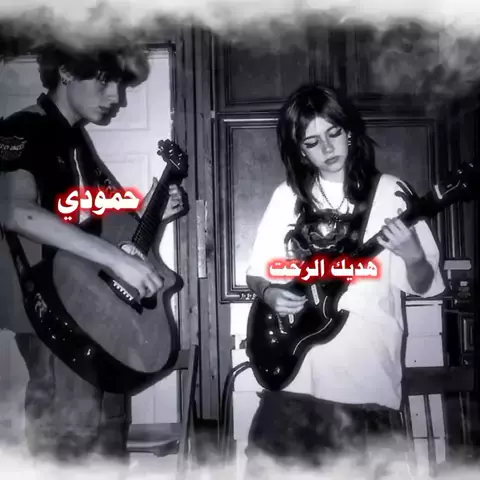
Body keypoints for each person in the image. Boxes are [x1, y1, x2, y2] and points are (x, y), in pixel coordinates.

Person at [245, 84, 445, 477]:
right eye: (312, 142)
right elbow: (256, 273)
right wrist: (269, 293)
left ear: (349, 131)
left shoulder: (391, 193)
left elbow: (425, 284)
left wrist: (414, 256)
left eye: (334, 133)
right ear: (300, 151)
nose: (327, 148)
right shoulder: (286, 196)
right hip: (291, 389)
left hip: (364, 385)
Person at [0, 44, 187, 463]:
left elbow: (113, 232)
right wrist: (116, 259)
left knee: (109, 439)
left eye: (119, 85)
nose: (116, 97)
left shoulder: (78, 142)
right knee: (69, 442)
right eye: (104, 81)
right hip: (57, 313)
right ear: (66, 72)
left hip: (101, 317)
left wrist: (151, 213)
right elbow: (15, 212)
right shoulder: (24, 128)